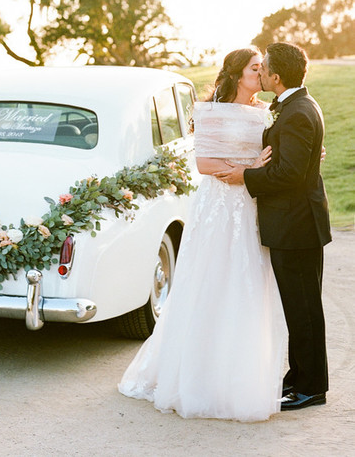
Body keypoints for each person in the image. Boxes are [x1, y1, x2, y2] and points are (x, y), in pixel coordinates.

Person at [119, 47, 287, 422]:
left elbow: (279, 152)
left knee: (246, 283)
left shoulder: (266, 112)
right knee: (209, 281)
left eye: (262, 68)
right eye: (254, 68)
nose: (261, 74)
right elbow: (204, 163)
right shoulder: (211, 111)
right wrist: (249, 166)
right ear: (236, 74)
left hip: (251, 205)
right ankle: (194, 376)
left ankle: (239, 375)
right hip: (218, 206)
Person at [218, 42, 331, 411]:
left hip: (296, 226)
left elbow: (290, 174)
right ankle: (298, 379)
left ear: (276, 76)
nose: (261, 72)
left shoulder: (297, 111)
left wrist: (244, 177)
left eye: (263, 67)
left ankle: (311, 388)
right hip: (295, 224)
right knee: (300, 308)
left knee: (303, 309)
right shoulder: (293, 107)